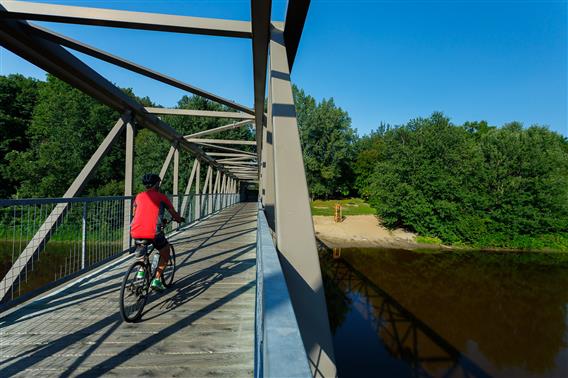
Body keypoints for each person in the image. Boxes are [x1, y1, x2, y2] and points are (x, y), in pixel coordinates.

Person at [130, 173, 185, 291]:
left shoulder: (138, 196)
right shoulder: (161, 197)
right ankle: (156, 280)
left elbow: (135, 213)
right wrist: (179, 219)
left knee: (142, 254)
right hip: (154, 232)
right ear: (156, 184)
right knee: (165, 252)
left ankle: (140, 272)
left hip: (136, 231)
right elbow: (173, 213)